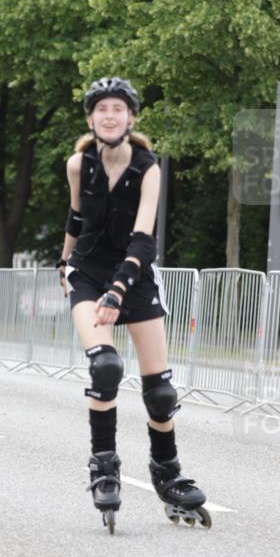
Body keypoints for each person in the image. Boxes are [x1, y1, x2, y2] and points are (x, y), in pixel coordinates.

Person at [57, 77, 210, 532]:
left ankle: (167, 473)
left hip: (134, 277)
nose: (109, 116)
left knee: (160, 391)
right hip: (87, 273)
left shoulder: (149, 168)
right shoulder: (77, 164)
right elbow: (77, 217)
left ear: (131, 118)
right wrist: (62, 264)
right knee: (105, 367)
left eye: (118, 109)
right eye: (101, 109)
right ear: (91, 118)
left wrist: (119, 290)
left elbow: (144, 240)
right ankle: (104, 468)